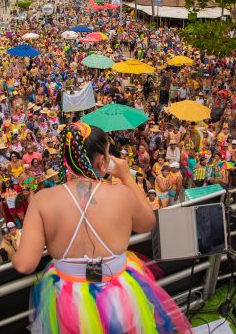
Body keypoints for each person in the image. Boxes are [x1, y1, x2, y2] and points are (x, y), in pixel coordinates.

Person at [12, 122, 190, 333]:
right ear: (101, 161)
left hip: (69, 298)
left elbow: (24, 264)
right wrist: (125, 176)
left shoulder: (42, 200)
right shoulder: (120, 194)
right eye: (108, 153)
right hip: (118, 294)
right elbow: (147, 222)